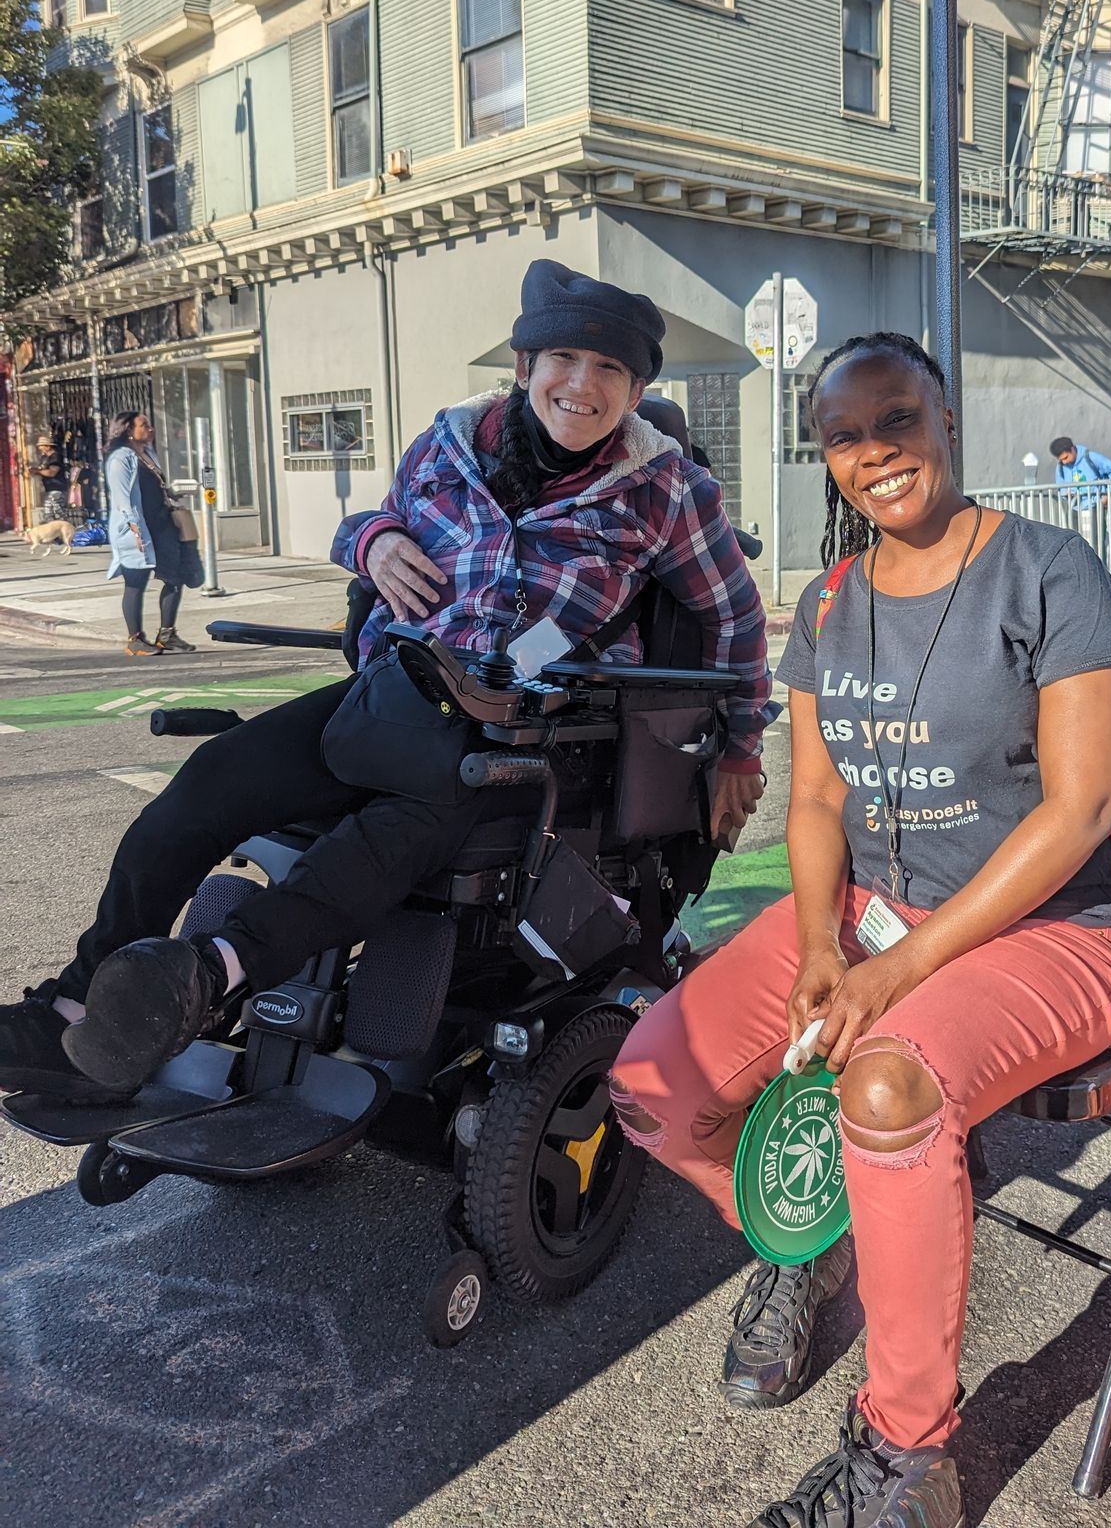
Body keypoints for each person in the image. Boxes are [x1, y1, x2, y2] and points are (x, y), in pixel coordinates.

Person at [0, 262, 771, 1106]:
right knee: (209, 781)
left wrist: (738, 751)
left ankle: (208, 975)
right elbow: (375, 519)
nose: (582, 385)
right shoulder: (448, 445)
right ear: (524, 366)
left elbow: (734, 619)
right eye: (564, 359)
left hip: (535, 723)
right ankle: (73, 1007)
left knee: (391, 833)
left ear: (635, 392)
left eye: (610, 369)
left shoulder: (665, 490)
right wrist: (371, 541)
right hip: (400, 693)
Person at [610, 332, 1111, 1528]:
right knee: (651, 1085)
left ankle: (909, 1454)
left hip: (1053, 932)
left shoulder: (1050, 572)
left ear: (944, 417)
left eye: (896, 419)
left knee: (889, 1088)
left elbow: (1079, 811)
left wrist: (896, 970)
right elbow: (814, 801)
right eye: (843, 437)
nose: (875, 453)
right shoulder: (830, 602)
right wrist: (819, 947)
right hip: (870, 913)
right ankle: (821, 1244)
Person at [103, 411, 203, 656]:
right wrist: (134, 529)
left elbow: (156, 486)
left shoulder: (148, 453)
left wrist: (172, 494)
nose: (150, 429)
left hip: (162, 525)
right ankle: (135, 639)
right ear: (128, 430)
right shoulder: (120, 458)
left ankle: (167, 634)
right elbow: (122, 498)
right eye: (144, 425)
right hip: (137, 529)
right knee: (135, 583)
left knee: (175, 577)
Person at [1049, 435, 1111, 503]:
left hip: (1097, 505)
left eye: (1066, 457)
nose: (1064, 462)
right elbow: (1061, 487)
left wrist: (1108, 494)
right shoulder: (1060, 466)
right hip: (1075, 508)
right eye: (1061, 459)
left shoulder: (1091, 457)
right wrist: (1066, 494)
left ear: (1072, 449)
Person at [26, 435, 67, 515]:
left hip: (57, 489)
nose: (39, 448)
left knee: (57, 512)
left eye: (41, 446)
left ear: (48, 446)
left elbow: (52, 472)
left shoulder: (55, 457)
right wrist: (34, 470)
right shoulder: (44, 458)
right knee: (49, 513)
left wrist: (37, 471)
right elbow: (42, 469)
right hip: (49, 489)